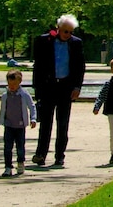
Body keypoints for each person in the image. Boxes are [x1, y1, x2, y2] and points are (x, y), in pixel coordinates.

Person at [32, 14, 86, 167]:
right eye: (65, 31)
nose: (67, 35)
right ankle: (41, 154)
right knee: (46, 123)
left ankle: (59, 156)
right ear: (58, 29)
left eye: (70, 32)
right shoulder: (44, 41)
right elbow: (38, 67)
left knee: (63, 124)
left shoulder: (76, 43)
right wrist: (38, 89)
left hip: (65, 87)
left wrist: (77, 87)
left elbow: (80, 67)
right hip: (48, 86)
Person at [0, 69, 37, 176]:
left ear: (19, 82)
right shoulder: (5, 96)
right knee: (7, 147)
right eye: (9, 84)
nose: (11, 86)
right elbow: (2, 110)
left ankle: (20, 163)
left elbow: (32, 106)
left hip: (20, 125)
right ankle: (8, 167)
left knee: (20, 146)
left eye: (14, 84)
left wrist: (33, 118)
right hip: (8, 125)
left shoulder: (24, 94)